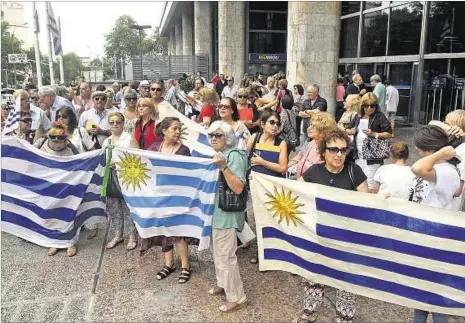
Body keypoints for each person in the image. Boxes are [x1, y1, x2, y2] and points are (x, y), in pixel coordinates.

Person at [298, 128, 368, 323]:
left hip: (347, 239)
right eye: (334, 149)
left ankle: (344, 317)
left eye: (343, 150)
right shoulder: (314, 172)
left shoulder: (355, 171)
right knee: (313, 277)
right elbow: (295, 195)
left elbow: (368, 205)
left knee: (346, 281)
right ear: (323, 152)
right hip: (318, 236)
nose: (339, 154)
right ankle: (309, 312)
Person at [409, 126, 460, 323]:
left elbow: (417, 169)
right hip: (422, 237)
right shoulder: (436, 166)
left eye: (420, 149)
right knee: (420, 296)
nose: (417, 152)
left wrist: (440, 153)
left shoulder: (446, 171)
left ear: (428, 150)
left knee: (437, 300)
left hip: (437, 240)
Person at [141, 117, 196, 284]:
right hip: (159, 196)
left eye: (179, 129)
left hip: (177, 197)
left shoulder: (184, 150)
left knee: (178, 232)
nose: (178, 132)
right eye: (174, 129)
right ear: (164, 131)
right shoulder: (154, 148)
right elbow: (144, 164)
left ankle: (186, 266)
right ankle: (169, 264)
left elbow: (189, 174)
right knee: (164, 231)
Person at [207, 120, 247, 312]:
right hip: (215, 212)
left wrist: (224, 167)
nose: (213, 138)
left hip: (227, 213)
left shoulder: (235, 155)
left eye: (218, 135)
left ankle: (236, 297)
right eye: (211, 135)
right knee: (218, 253)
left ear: (228, 137)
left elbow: (238, 187)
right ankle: (223, 283)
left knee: (226, 255)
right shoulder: (219, 154)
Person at [34, 125, 81, 257]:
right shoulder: (41, 143)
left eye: (60, 142)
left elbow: (79, 163)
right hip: (47, 185)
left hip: (66, 186)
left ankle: (70, 243)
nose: (56, 144)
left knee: (68, 214)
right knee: (50, 213)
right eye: (53, 141)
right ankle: (53, 242)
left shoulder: (70, 148)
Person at [102, 112, 139, 250]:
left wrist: (118, 163)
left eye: (118, 122)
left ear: (123, 123)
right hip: (110, 177)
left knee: (127, 206)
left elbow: (137, 158)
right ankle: (118, 234)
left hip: (126, 176)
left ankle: (132, 235)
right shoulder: (107, 141)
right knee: (113, 207)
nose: (115, 124)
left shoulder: (129, 139)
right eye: (111, 122)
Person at [353, 92, 392, 191]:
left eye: (372, 105)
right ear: (362, 106)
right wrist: (350, 130)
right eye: (366, 105)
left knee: (370, 184)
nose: (369, 108)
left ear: (376, 105)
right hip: (358, 155)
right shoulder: (358, 116)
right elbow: (350, 128)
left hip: (372, 156)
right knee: (358, 182)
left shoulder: (379, 116)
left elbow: (389, 133)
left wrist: (374, 134)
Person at [289, 112, 336, 180]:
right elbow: (299, 156)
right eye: (310, 125)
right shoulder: (310, 142)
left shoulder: (329, 149)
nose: (309, 128)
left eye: (313, 126)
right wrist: (285, 167)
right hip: (300, 177)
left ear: (323, 130)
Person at [247, 109, 288, 178]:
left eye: (278, 124)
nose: (275, 126)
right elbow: (245, 157)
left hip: (272, 183)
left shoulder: (281, 143)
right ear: (262, 124)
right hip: (254, 181)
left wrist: (262, 162)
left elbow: (283, 168)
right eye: (272, 122)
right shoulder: (254, 137)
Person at [337, 94, 362, 161]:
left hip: (350, 145)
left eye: (346, 101)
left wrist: (343, 129)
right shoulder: (345, 113)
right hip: (342, 142)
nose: (343, 102)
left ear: (351, 104)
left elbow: (354, 131)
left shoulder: (355, 115)